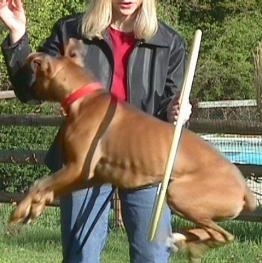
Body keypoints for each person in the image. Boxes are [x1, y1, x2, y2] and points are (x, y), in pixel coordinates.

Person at [0, 0, 192, 262]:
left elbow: (170, 111)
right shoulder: (71, 32)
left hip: (143, 160)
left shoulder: (169, 43)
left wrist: (177, 114)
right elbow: (30, 90)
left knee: (154, 255)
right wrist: (18, 34)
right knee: (81, 255)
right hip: (86, 159)